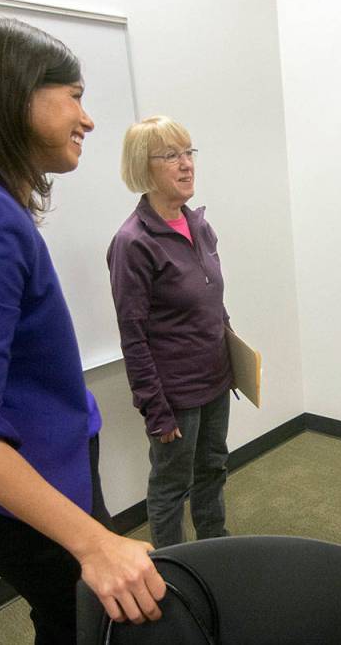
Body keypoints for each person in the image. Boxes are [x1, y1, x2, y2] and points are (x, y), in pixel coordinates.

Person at [0, 16, 165, 644]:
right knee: (94, 628)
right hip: (30, 502)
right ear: (18, 95)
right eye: (74, 96)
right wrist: (95, 544)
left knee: (70, 624)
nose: (89, 118)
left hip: (52, 477)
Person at [107, 116, 233, 549]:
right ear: (145, 167)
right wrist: (154, 409)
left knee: (213, 468)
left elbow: (211, 297)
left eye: (189, 152)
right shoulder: (133, 242)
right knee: (171, 487)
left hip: (216, 381)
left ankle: (215, 548)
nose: (186, 165)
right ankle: (174, 567)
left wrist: (233, 356)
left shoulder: (196, 223)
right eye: (171, 156)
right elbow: (133, 335)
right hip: (175, 396)